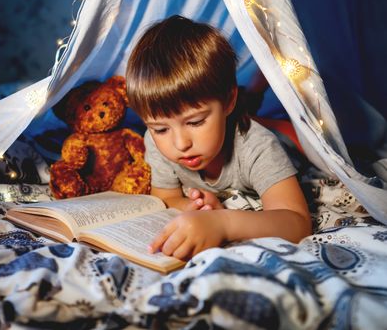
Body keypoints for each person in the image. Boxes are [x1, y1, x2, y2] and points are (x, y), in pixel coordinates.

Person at [126, 15, 311, 260]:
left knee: (292, 132)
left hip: (286, 137)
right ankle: (252, 95)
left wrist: (222, 223)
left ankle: (257, 91)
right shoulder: (157, 142)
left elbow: (297, 223)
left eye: (195, 122)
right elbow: (165, 197)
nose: (180, 144)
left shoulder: (259, 146)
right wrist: (192, 208)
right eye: (160, 129)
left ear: (227, 101)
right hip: (234, 116)